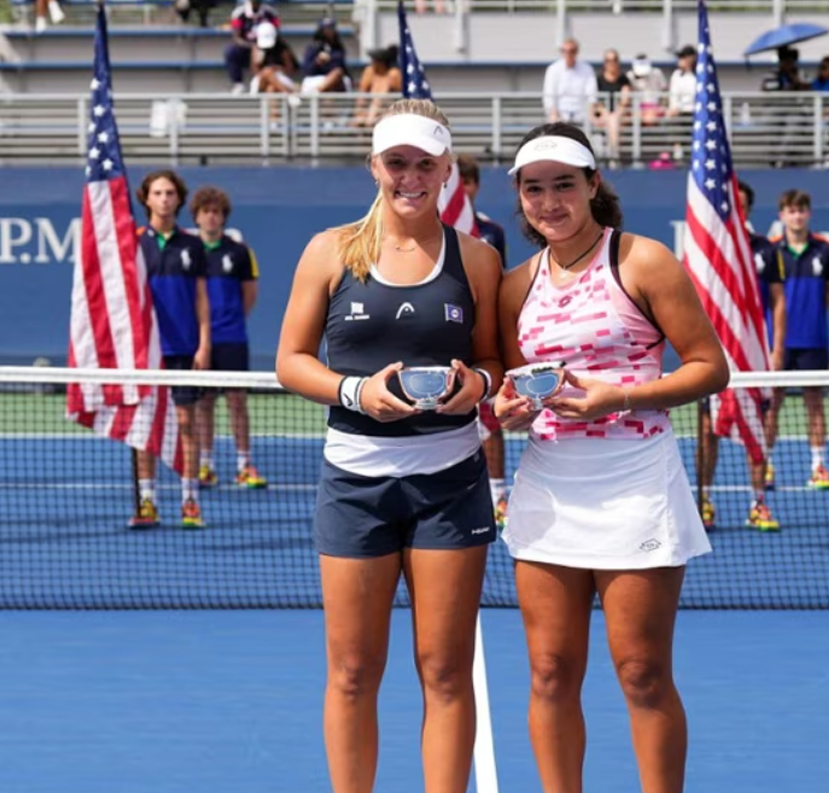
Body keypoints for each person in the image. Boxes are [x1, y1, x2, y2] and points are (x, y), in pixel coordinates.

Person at [274, 99, 503, 793]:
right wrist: (355, 393)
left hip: (450, 484)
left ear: (446, 170)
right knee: (351, 670)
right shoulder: (330, 250)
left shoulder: (480, 259)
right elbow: (290, 359)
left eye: (424, 163)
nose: (410, 176)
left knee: (444, 669)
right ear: (375, 166)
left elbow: (496, 362)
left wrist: (478, 386)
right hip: (355, 486)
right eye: (396, 162)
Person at [493, 124, 728, 792]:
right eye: (533, 188)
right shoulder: (515, 286)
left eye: (564, 184)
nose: (549, 201)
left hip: (637, 485)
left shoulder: (644, 261)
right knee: (548, 671)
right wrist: (508, 410)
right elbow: (516, 388)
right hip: (547, 491)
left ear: (593, 184)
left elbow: (711, 369)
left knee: (642, 672)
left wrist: (619, 396)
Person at [696, 180, 785, 532]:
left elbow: (778, 302)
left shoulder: (765, 248)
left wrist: (776, 348)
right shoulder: (709, 250)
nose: (738, 211)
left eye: (742, 206)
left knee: (757, 430)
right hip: (713, 355)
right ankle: (704, 501)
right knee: (708, 431)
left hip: (753, 357)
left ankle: (759, 503)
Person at [133, 171, 211, 529]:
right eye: (157, 193)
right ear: (146, 199)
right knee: (143, 428)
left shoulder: (192, 245)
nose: (164, 199)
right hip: (144, 354)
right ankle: (147, 500)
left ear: (179, 199)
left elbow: (200, 298)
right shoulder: (132, 243)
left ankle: (189, 498)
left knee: (186, 426)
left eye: (170, 193)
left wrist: (204, 341)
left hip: (182, 349)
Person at [190, 186, 266, 491]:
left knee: (237, 401)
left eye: (216, 212)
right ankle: (206, 464)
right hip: (197, 342)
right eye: (206, 212)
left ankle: (244, 464)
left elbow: (249, 295)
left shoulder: (239, 252)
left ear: (223, 217)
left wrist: (228, 322)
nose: (211, 217)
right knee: (204, 403)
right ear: (196, 217)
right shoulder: (189, 252)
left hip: (232, 339)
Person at [764, 189, 829, 491]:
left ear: (808, 214)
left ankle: (818, 466)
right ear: (782, 215)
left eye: (801, 210)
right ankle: (767, 464)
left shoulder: (826, 249)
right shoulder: (771, 250)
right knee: (772, 405)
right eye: (790, 211)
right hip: (778, 344)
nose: (796, 216)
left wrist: (811, 315)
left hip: (814, 341)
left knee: (815, 404)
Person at [457, 153, 510, 524]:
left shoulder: (492, 232)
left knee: (490, 420)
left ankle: (498, 494)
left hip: (483, 341)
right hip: (447, 339)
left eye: (465, 182)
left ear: (473, 186)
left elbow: (499, 284)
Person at [224, 0, 281, 94]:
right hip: (247, 47)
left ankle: (268, 79)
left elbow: (277, 33)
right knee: (231, 51)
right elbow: (236, 37)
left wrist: (263, 47)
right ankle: (238, 83)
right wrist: (252, 46)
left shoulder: (271, 13)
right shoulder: (239, 13)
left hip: (267, 47)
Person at [543, 38, 598, 126]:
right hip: (559, 116)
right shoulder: (553, 69)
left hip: (582, 116)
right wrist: (554, 113)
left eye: (572, 51)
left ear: (577, 52)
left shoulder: (587, 69)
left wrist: (590, 113)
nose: (568, 54)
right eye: (565, 51)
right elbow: (549, 96)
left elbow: (592, 95)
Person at [592, 49, 631, 160]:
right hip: (602, 115)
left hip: (620, 115)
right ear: (604, 63)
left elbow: (625, 100)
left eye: (614, 60)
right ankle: (614, 154)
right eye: (608, 60)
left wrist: (614, 114)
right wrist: (607, 114)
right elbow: (595, 101)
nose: (611, 63)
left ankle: (613, 155)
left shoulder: (623, 79)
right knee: (612, 121)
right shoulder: (598, 80)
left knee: (614, 120)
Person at [351, 45, 403, 127]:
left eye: (374, 61)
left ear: (381, 63)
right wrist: (359, 111)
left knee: (377, 103)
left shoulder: (393, 74)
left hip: (388, 110)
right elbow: (362, 95)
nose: (372, 63)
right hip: (370, 111)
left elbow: (399, 97)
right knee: (359, 120)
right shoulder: (369, 72)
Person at [300, 17, 348, 95]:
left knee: (337, 73)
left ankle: (316, 92)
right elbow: (307, 70)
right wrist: (318, 62)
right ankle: (317, 91)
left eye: (331, 28)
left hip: (335, 80)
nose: (329, 31)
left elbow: (340, 66)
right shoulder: (313, 47)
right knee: (329, 89)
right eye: (326, 29)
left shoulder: (338, 48)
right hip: (316, 78)